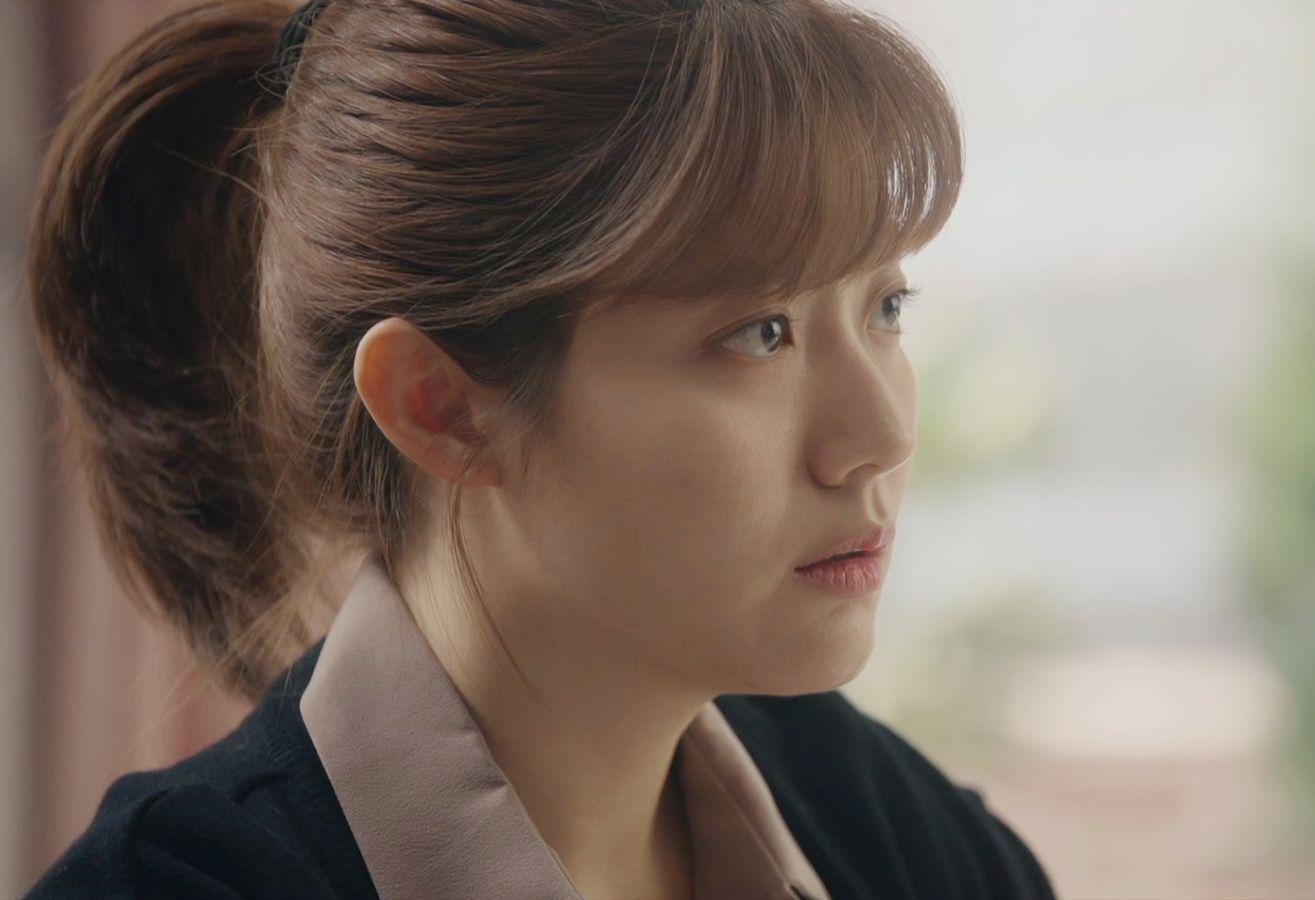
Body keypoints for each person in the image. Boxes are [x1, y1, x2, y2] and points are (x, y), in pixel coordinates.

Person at [22, 0, 1056, 897]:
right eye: (761, 333)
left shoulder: (890, 826)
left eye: (886, 306)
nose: (882, 437)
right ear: (440, 407)